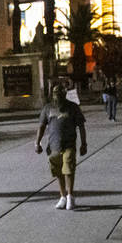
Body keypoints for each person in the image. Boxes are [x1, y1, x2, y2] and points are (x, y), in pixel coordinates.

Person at [35, 82, 88, 210]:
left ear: (65, 94)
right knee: (58, 172)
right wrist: (37, 143)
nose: (57, 96)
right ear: (52, 95)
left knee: (68, 170)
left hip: (69, 144)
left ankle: (70, 197)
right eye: (55, 94)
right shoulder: (47, 108)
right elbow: (41, 126)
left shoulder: (73, 107)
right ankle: (62, 196)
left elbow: (81, 126)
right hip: (53, 146)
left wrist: (83, 143)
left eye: (60, 93)